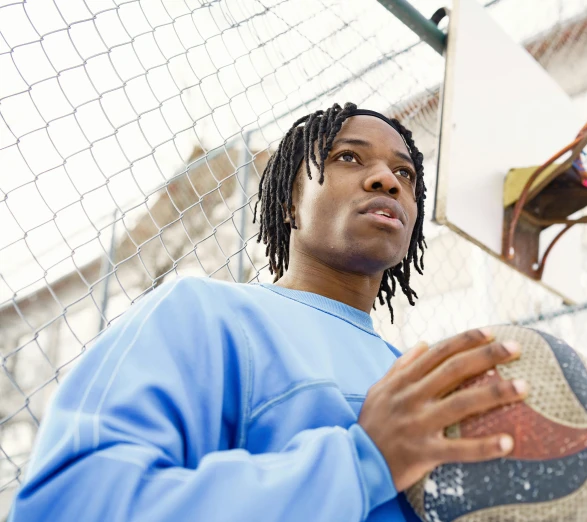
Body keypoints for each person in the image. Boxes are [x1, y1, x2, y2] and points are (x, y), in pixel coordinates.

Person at [10, 103, 529, 521]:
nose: (387, 180)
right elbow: (70, 503)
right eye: (349, 157)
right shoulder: (202, 314)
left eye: (405, 173)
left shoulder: (415, 375)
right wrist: (360, 462)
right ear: (288, 202)